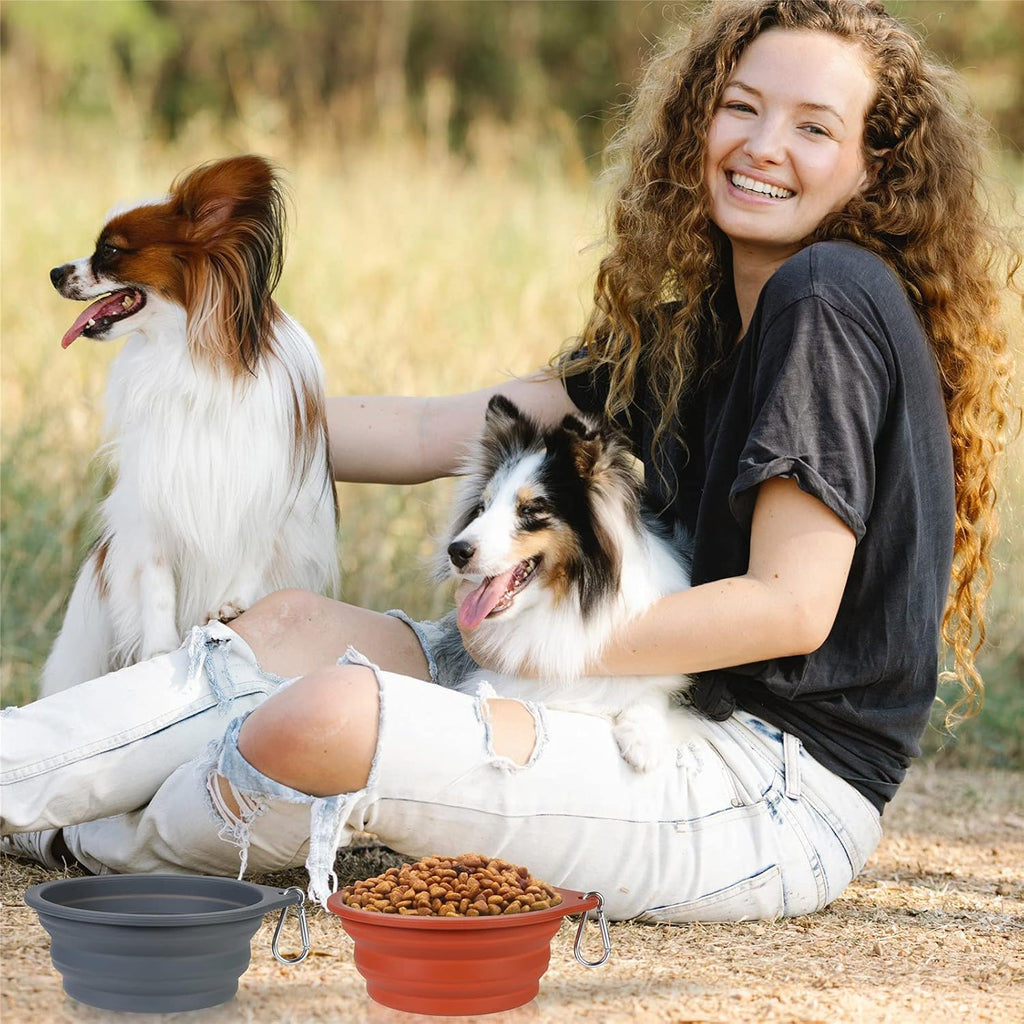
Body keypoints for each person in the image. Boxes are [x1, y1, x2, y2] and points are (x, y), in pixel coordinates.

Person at [2, 0, 1018, 922]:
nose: (762, 145)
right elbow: (423, 433)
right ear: (698, 120)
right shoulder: (697, 332)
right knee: (283, 628)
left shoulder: (826, 296)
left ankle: (76, 837)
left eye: (814, 127)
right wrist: (199, 399)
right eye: (741, 106)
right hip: (602, 686)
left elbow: (787, 608)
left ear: (875, 167)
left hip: (757, 782)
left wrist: (530, 647)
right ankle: (23, 778)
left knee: (323, 717)